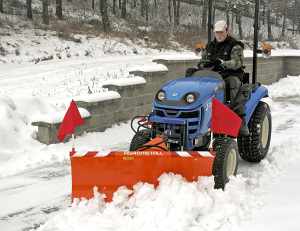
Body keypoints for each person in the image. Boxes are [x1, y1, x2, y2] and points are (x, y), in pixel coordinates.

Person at [186, 20, 250, 136]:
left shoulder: (235, 45)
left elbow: (237, 62)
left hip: (230, 73)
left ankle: (238, 117)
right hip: (213, 74)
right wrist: (201, 65)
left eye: (221, 32)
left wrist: (223, 63)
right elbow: (203, 60)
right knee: (191, 73)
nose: (219, 35)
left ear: (227, 31)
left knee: (232, 82)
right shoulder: (210, 46)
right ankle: (191, 108)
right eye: (217, 33)